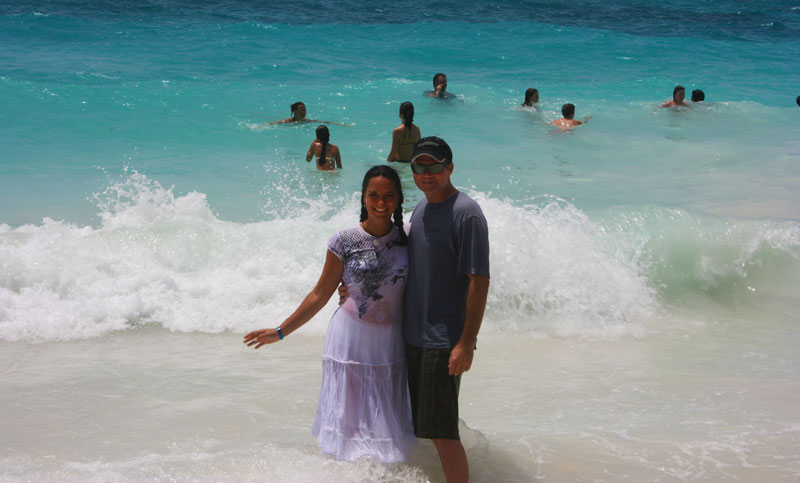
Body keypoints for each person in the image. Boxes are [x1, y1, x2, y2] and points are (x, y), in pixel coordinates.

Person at [341, 137, 490, 482]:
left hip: (443, 341)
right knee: (415, 425)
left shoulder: (466, 214)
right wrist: (353, 287)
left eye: (434, 166)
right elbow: (400, 266)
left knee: (442, 432)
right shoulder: (421, 210)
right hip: (411, 337)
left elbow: (479, 282)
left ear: (449, 168)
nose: (427, 173)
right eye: (419, 167)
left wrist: (466, 343)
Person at [243, 165, 416, 464]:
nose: (381, 202)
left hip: (391, 342)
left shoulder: (410, 237)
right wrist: (281, 331)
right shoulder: (343, 241)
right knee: (351, 423)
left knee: (388, 421)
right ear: (363, 197)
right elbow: (320, 293)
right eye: (374, 195)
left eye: (389, 195)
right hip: (349, 339)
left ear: (399, 199)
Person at [269, 101, 353, 126]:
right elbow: (274, 123)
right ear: (294, 111)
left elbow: (324, 122)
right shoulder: (287, 122)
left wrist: (341, 124)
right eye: (301, 110)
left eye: (304, 110)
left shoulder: (307, 121)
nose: (304, 112)